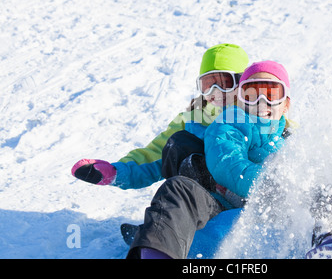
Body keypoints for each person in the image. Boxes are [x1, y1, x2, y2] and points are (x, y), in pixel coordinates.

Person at [125, 60, 294, 259]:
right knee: (179, 189)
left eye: (272, 94)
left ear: (285, 105)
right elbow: (227, 163)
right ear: (240, 100)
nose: (261, 101)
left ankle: (328, 240)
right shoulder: (229, 123)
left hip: (276, 218)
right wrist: (269, 187)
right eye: (251, 94)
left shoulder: (294, 140)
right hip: (224, 209)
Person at [71, 43, 249, 190]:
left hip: (245, 196)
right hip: (203, 198)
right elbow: (157, 152)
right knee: (178, 144)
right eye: (208, 84)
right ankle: (164, 225)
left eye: (225, 82)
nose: (215, 92)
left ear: (243, 81)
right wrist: (117, 171)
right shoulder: (193, 118)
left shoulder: (259, 115)